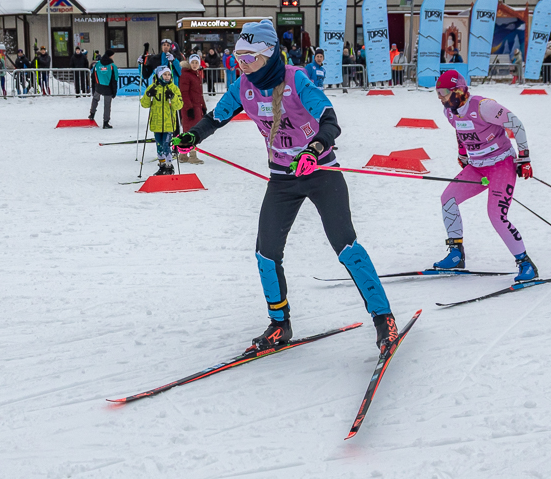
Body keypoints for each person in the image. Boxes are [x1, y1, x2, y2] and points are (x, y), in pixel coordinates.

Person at [170, 19, 398, 354]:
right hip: (282, 178)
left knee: (346, 246)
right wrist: (194, 136)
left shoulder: (296, 80)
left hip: (321, 172)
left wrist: (314, 150)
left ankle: (383, 318)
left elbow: (330, 121)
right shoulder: (243, 86)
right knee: (266, 252)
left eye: (249, 56)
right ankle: (280, 324)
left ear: (268, 53)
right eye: (239, 56)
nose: (242, 63)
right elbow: (216, 118)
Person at [431, 69, 538, 282]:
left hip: (501, 165)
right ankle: (456, 254)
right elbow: (460, 131)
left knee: (496, 216)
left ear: (457, 90)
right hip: (478, 167)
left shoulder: (484, 107)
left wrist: (524, 158)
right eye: (437, 93)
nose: (440, 97)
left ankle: (526, 263)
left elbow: (516, 124)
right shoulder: (449, 112)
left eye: (443, 92)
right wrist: (463, 154)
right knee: (448, 200)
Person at [141, 66, 183, 176]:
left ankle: (169, 166)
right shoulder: (153, 87)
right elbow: (144, 104)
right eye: (165, 75)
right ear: (159, 75)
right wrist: (148, 94)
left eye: (169, 75)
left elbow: (179, 105)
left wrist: (172, 97)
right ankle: (162, 165)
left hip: (169, 122)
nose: (167, 77)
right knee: (159, 145)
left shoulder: (174, 88)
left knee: (166, 144)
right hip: (156, 122)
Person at [178, 54, 206, 164]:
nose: (194, 65)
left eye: (196, 63)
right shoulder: (186, 74)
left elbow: (199, 94)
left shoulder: (196, 75)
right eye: (193, 62)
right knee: (191, 132)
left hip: (197, 107)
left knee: (189, 131)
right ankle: (192, 155)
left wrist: (203, 106)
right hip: (190, 108)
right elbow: (184, 93)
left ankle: (183, 154)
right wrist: (189, 108)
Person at [89, 49, 118, 128]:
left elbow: (93, 76)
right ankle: (105, 122)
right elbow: (114, 79)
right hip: (108, 88)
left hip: (98, 86)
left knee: (95, 99)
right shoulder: (112, 66)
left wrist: (94, 86)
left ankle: (92, 114)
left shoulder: (97, 64)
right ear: (110, 56)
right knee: (107, 105)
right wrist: (114, 91)